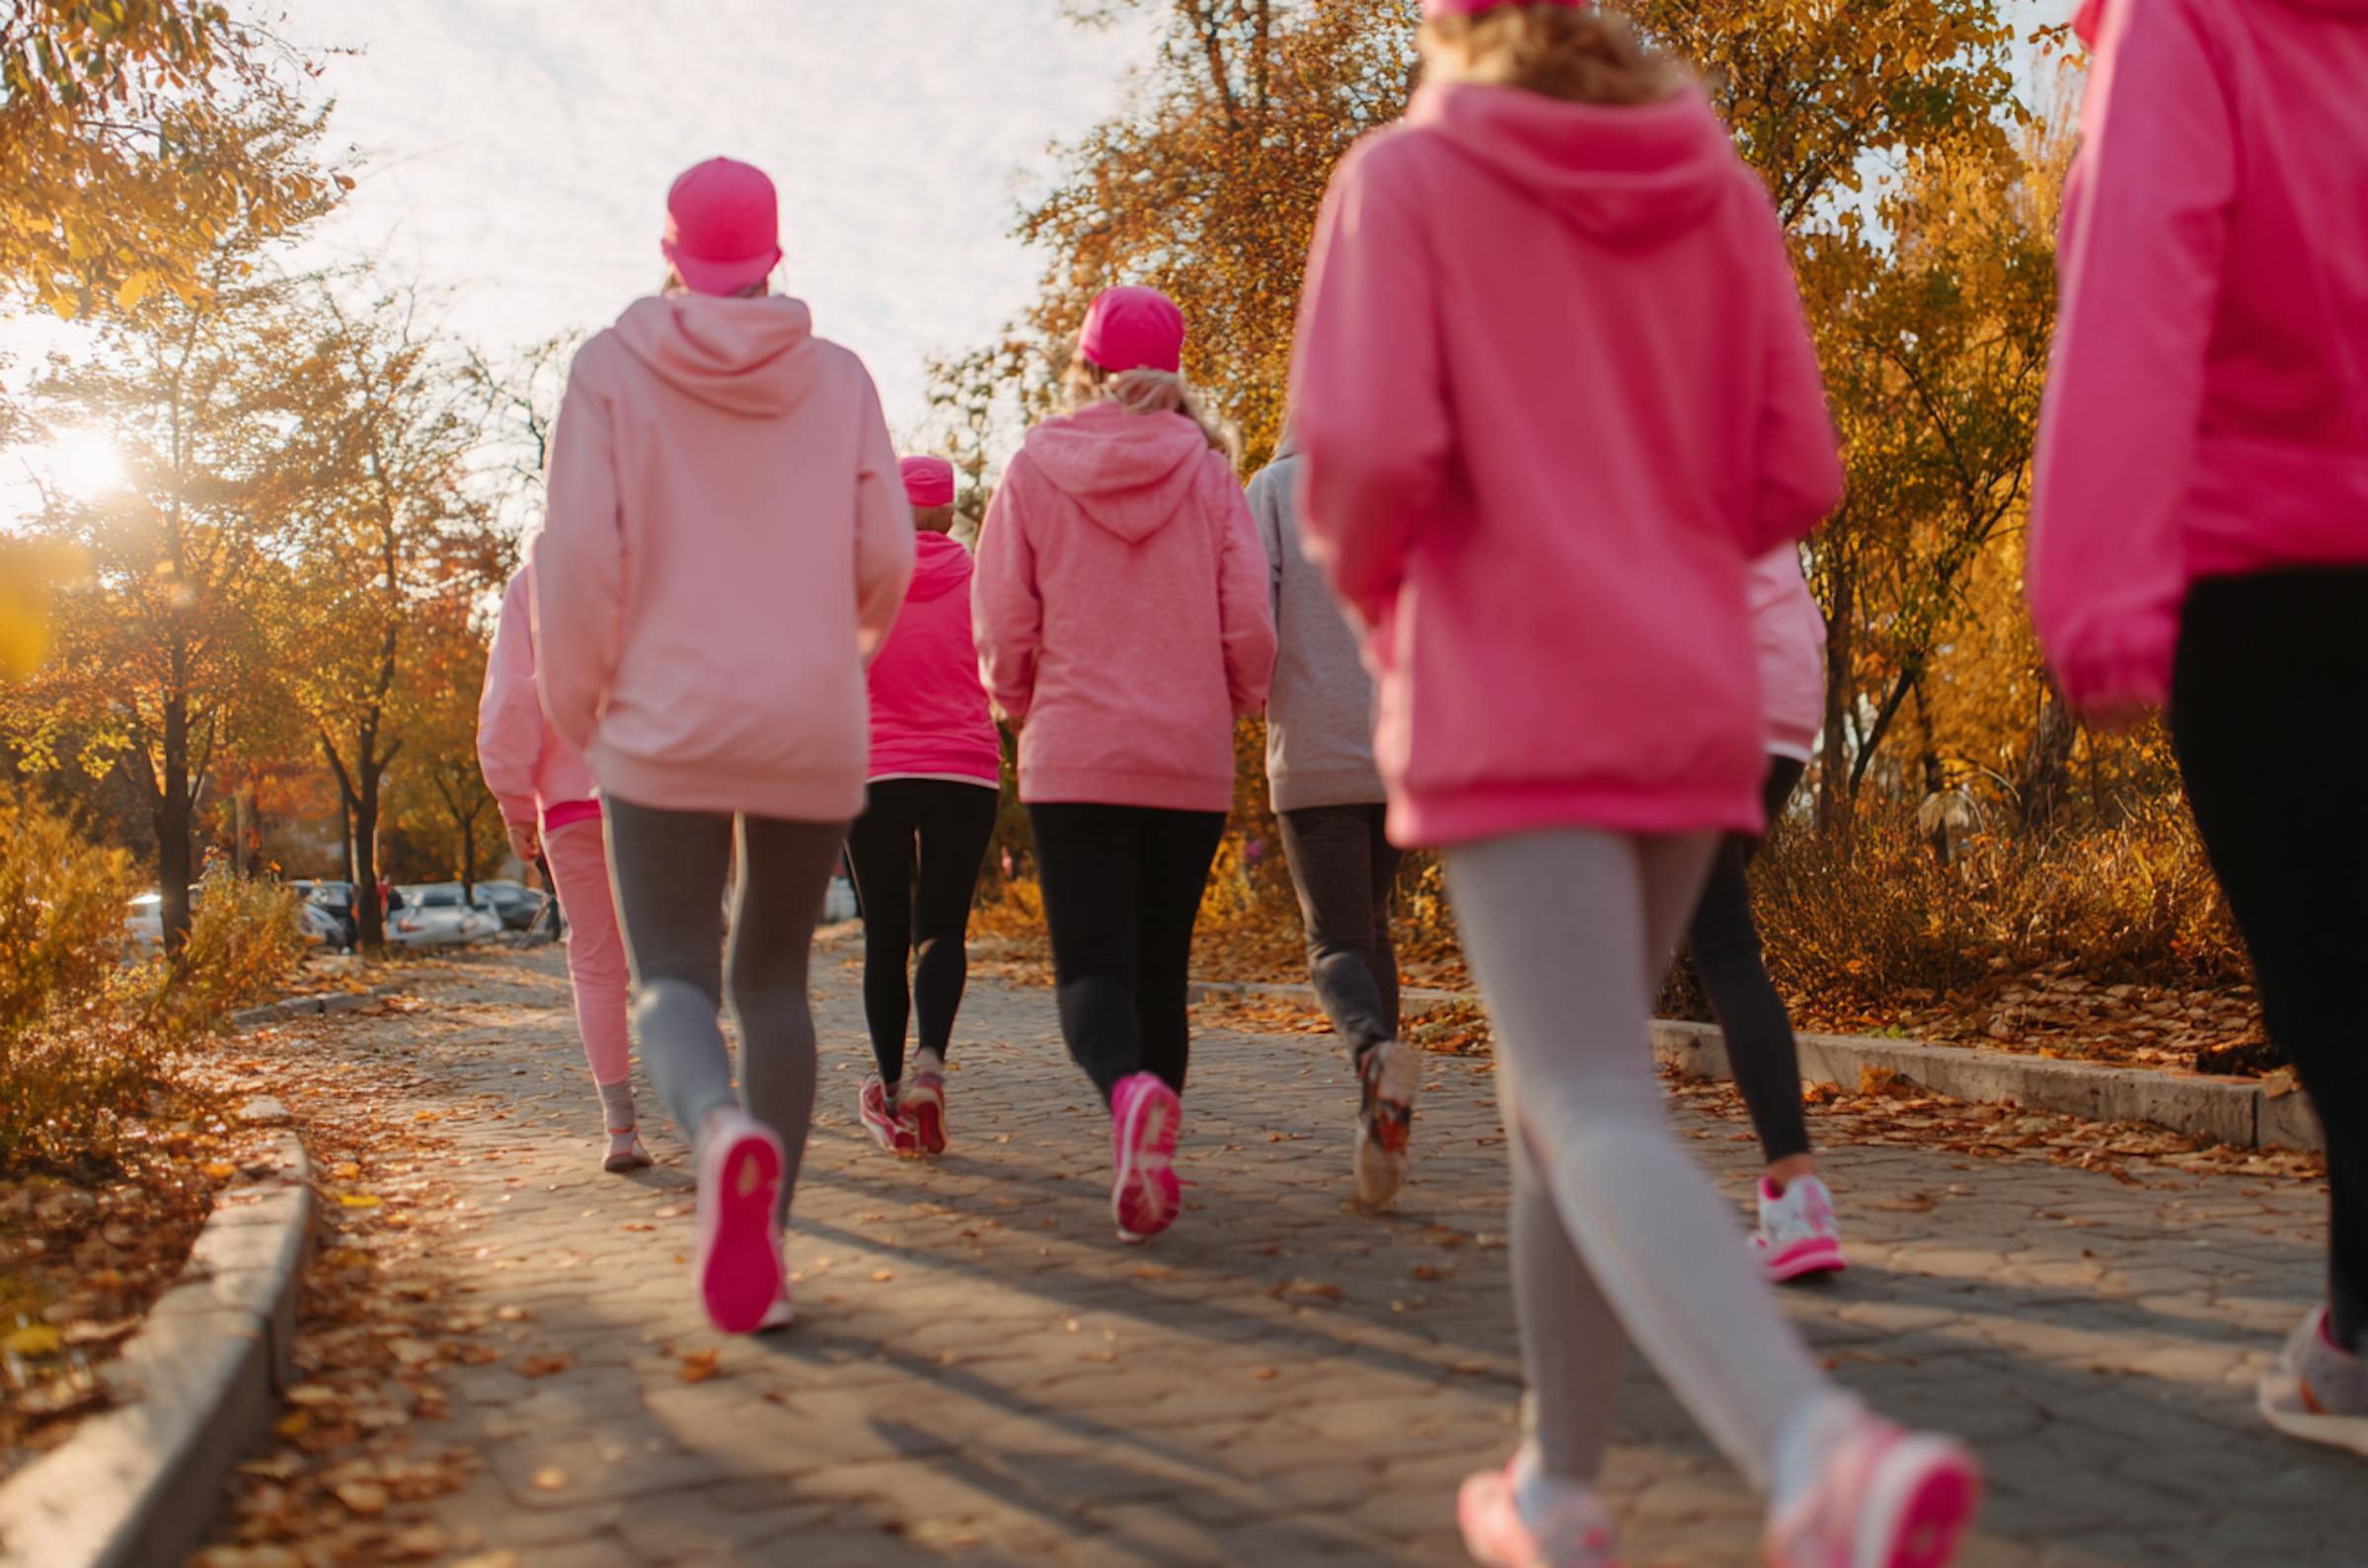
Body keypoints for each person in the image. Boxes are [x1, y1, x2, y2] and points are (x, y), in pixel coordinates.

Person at [1292, 6, 1982, 1565]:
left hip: (1511, 689)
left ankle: (1814, 1451)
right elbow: (1794, 474)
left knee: (1586, 1088)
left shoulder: (1401, 180)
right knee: (1567, 1105)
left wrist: (1394, 597)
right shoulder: (1712, 184)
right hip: (1690, 695)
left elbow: (1359, 462)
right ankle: (1556, 1485)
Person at [2026, 0, 2368, 1459]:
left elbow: (2133, 289)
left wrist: (2094, 593)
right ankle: (2349, 1337)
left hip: (2269, 593)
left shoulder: (2187, 27)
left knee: (2326, 983)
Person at [534, 156, 915, 1335]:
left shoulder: (607, 370)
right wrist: (832, 655)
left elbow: (577, 562)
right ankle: (770, 1249)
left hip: (661, 721)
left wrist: (576, 703)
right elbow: (889, 553)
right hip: (807, 714)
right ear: (774, 258)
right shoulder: (840, 377)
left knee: (675, 982)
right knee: (774, 979)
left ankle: (717, 1135)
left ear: (669, 256)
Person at [973, 284, 1275, 1243]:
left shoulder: (1030, 468)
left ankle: (1126, 1096)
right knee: (1160, 972)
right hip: (1183, 754)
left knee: (1089, 976)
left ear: (1088, 369)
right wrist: (1228, 698)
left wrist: (1017, 700)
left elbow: (1003, 621)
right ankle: (1148, 1148)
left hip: (1073, 753)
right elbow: (1250, 623)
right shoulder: (1212, 473)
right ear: (1172, 370)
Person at [1248, 422, 1416, 1207]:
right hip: (1397, 746)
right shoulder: (1392, 487)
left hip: (1314, 746)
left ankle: (1374, 1052)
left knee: (1334, 941)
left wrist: (1249, 698)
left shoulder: (1274, 490)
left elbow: (1252, 614)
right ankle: (1375, 1119)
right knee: (1373, 925)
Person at [1682, 545, 1845, 1282]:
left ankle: (1604, 1193)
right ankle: (1795, 1195)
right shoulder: (1747, 424)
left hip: (1700, 689)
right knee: (1720, 938)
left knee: (1673, 933)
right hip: (1786, 693)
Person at [846, 455, 1004, 1157]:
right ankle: (929, 1067)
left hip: (875, 771)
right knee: (940, 926)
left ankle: (887, 1086)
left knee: (884, 931)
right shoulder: (981, 575)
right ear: (946, 512)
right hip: (965, 770)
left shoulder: (865, 579)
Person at [478, 561, 646, 1173]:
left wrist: (516, 801)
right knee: (666, 955)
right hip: (653, 789)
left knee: (596, 961)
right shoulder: (649, 563)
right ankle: (705, 1107)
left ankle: (621, 1128)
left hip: (569, 801)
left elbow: (511, 697)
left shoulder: (534, 583)